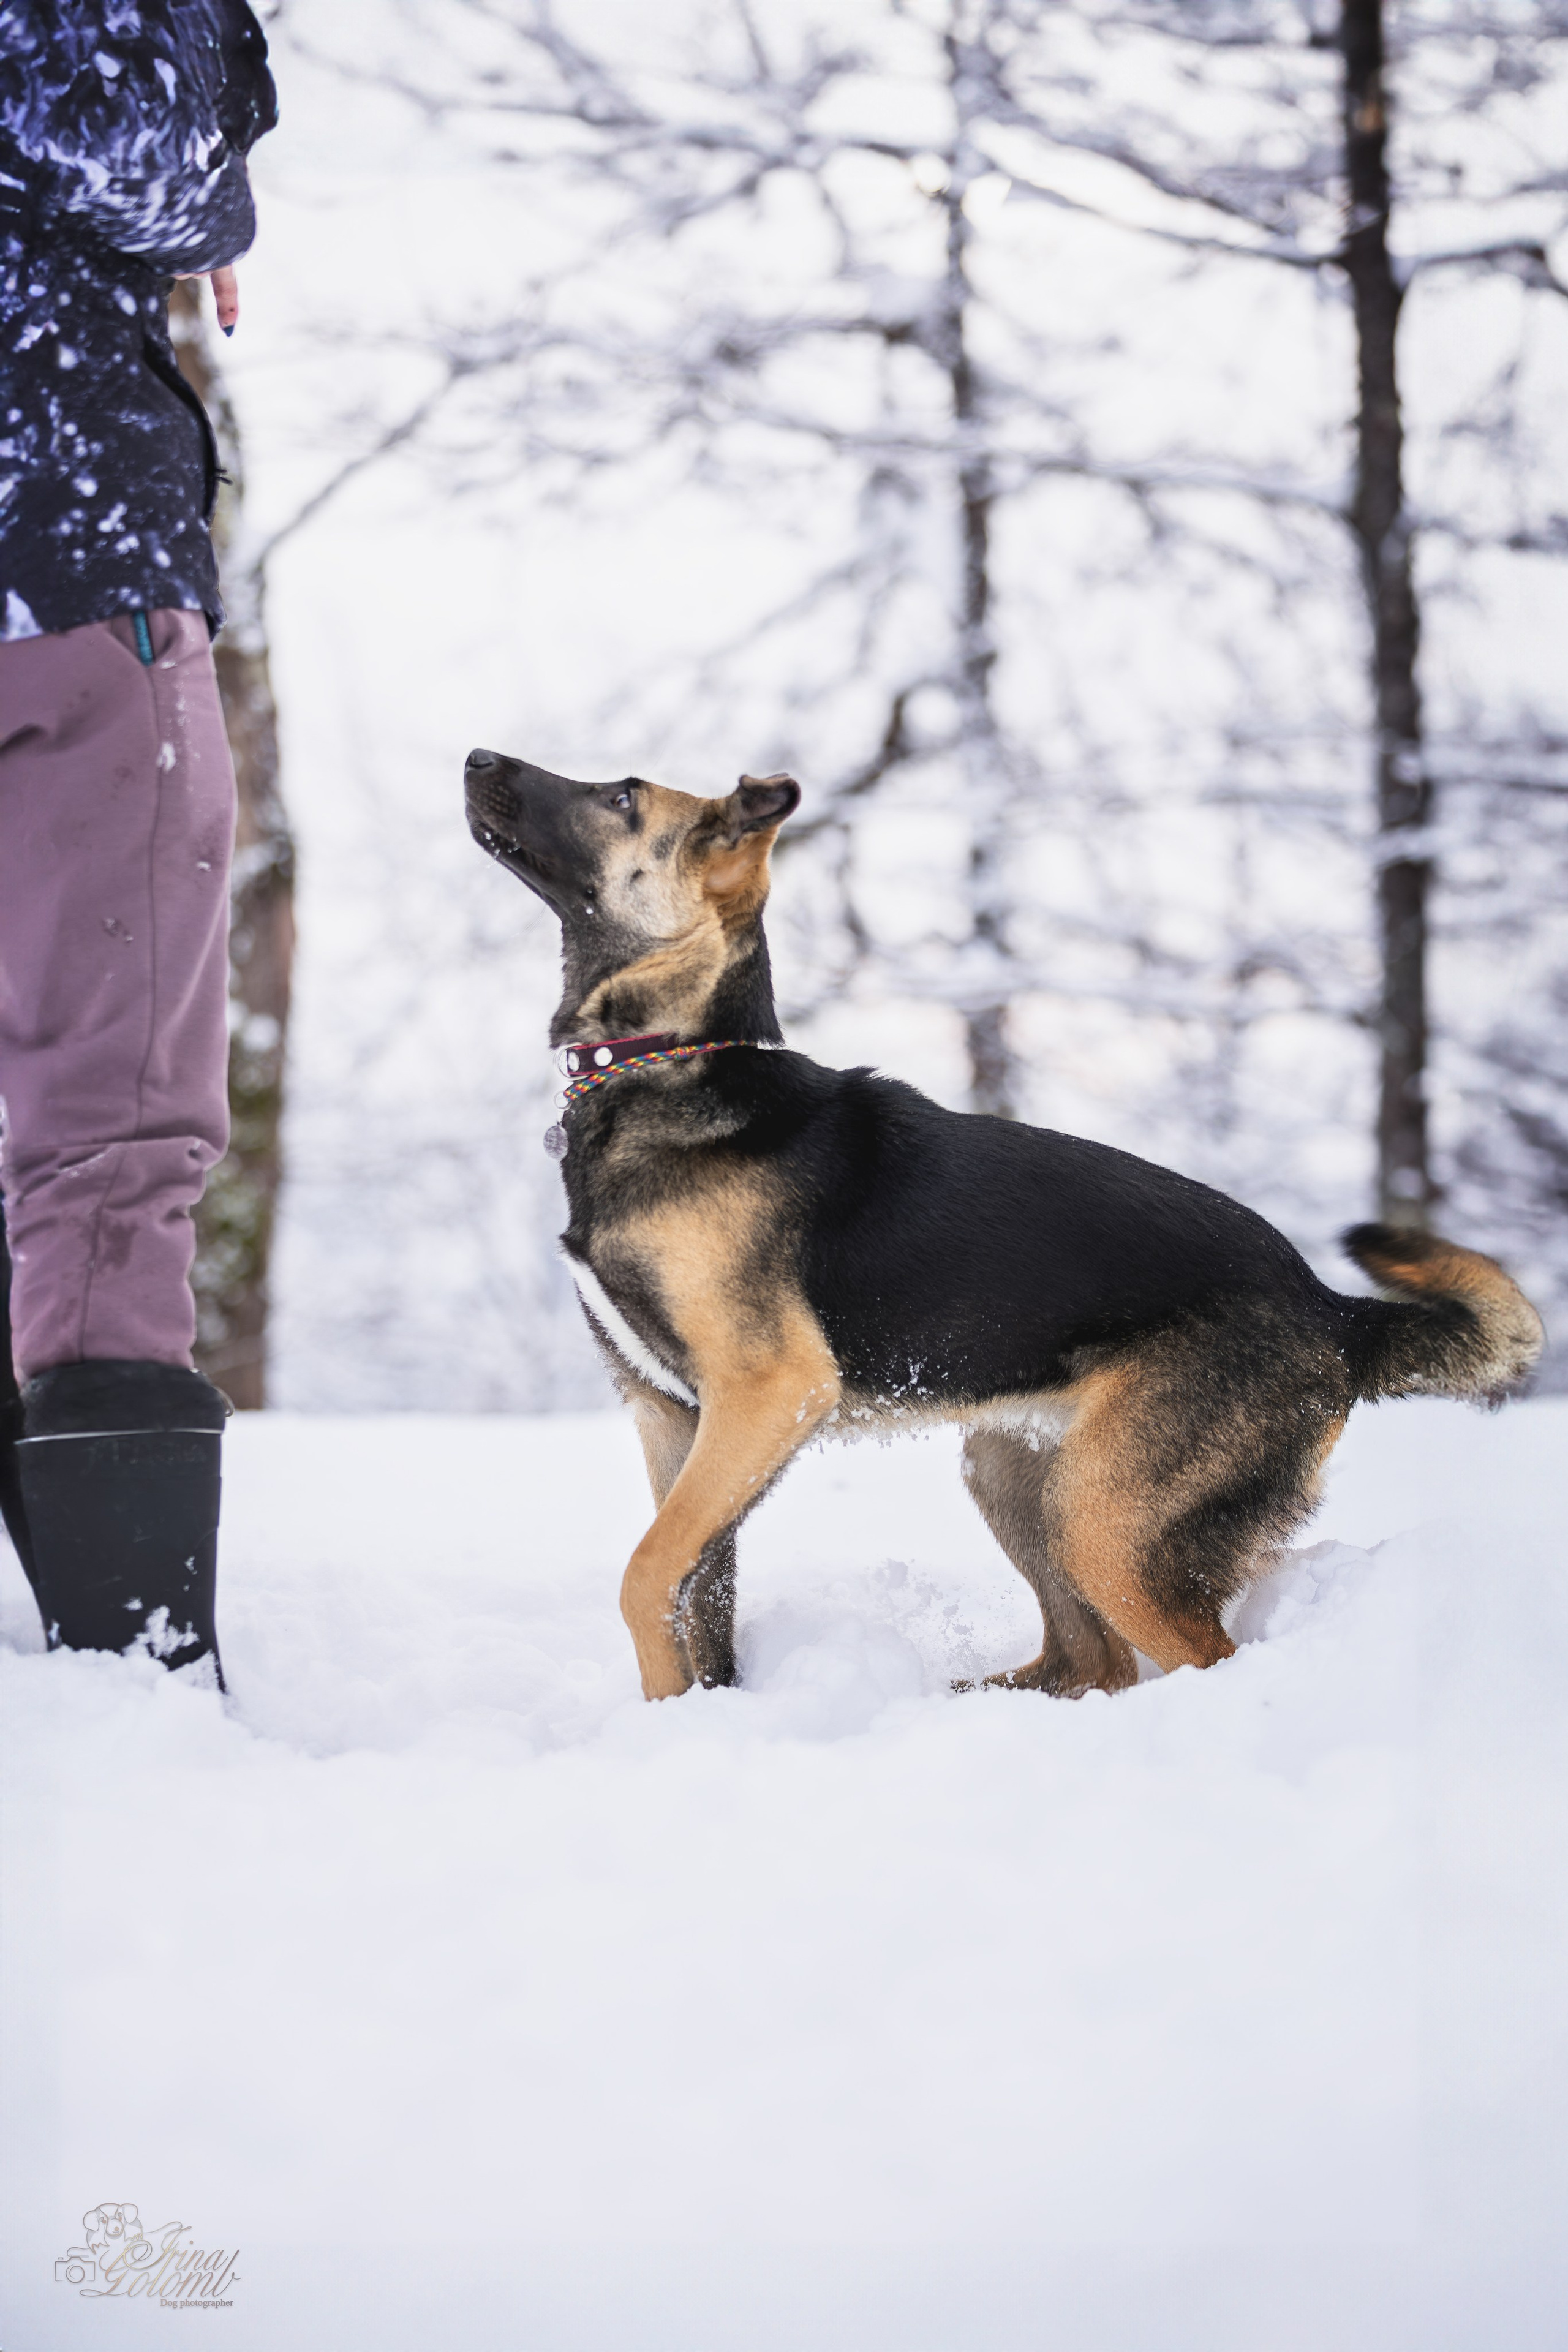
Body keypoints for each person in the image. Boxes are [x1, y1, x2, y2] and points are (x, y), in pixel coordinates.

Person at [0, 1, 277, 1685]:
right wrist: (222, 153)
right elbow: (137, 139)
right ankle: (130, 1680)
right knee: (109, 1116)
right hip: (60, 559)